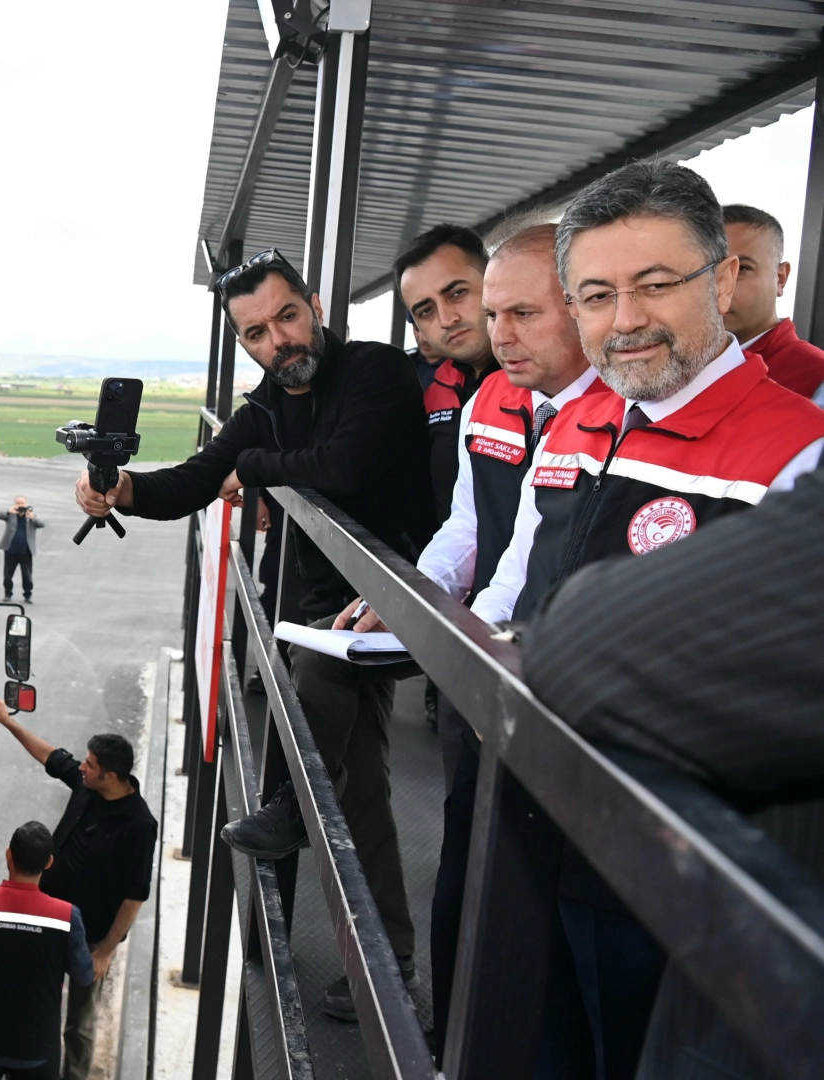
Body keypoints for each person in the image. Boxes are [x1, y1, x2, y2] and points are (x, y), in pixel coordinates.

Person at [468, 160, 824, 1079]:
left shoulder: (797, 451)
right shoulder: (577, 422)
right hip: (525, 814)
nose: (625, 319)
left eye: (656, 284)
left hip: (658, 864)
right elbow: (516, 578)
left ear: (724, 280)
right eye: (596, 295)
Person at [74, 249, 433, 1019]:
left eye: (287, 318)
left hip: (402, 598)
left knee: (322, 710)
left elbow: (343, 466)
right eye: (258, 334)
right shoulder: (268, 405)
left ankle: (293, 809)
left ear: (316, 307)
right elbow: (196, 478)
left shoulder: (373, 371)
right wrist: (120, 489)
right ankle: (389, 962)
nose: (279, 341)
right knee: (363, 788)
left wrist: (257, 468)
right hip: (331, 612)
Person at [334, 220, 603, 1051]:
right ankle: (450, 1035)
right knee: (469, 860)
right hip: (484, 670)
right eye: (491, 315)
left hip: (561, 695)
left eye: (519, 311)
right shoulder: (491, 400)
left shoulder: (617, 412)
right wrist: (410, 598)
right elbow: (472, 530)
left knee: (558, 906)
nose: (495, 331)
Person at [521, 465, 824, 1080]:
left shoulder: (787, 437)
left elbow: (584, 645)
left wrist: (549, 621)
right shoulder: (587, 424)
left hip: (755, 983)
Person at [0, 688, 157, 1080]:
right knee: (32, 1003)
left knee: (79, 1024)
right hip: (49, 920)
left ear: (110, 776)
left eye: (90, 765)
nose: (82, 767)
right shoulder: (86, 784)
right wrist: (8, 721)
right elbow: (49, 755)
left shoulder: (139, 826)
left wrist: (105, 951)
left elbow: (135, 896)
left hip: (89, 938)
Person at [0, 821, 96, 1080]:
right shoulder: (66, 918)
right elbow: (84, 976)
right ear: (49, 863)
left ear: (8, 855)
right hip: (38, 1051)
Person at [396, 224, 501, 524]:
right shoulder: (433, 395)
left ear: (494, 280)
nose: (446, 319)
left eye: (457, 293)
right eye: (426, 311)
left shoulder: (549, 385)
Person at [722, 203, 824, 404]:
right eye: (707, 270)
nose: (718, 286)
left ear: (780, 278)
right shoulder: (674, 367)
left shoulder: (817, 379)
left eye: (742, 268)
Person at [0, 497, 44, 602]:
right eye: (18, 503)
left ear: (26, 504)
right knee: (8, 575)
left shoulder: (31, 516)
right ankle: (7, 594)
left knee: (27, 575)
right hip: (10, 550)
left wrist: (32, 517)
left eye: (22, 503)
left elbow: (41, 524)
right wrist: (9, 511)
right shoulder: (10, 515)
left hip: (26, 552)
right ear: (15, 504)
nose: (20, 505)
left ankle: (28, 595)